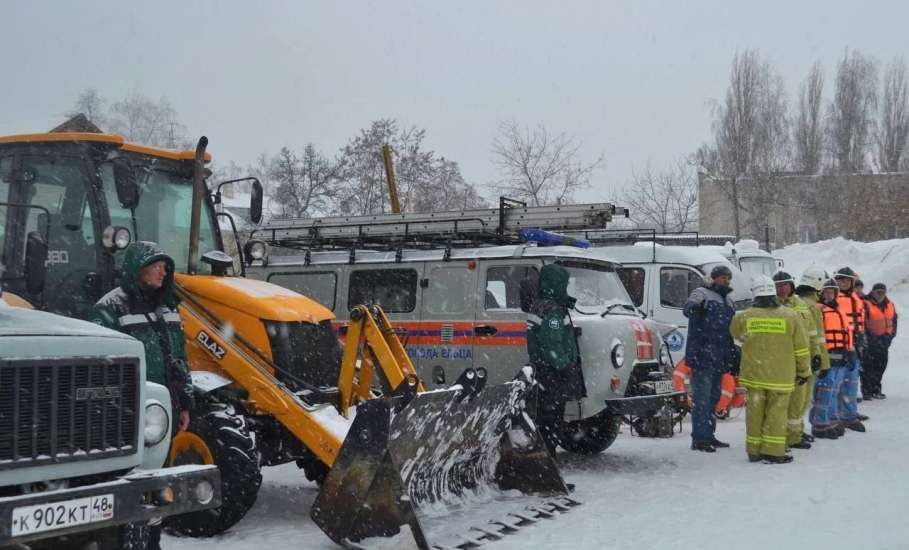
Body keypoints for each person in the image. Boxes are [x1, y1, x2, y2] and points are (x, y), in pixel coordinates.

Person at [90, 241, 195, 550]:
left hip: (160, 413)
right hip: (127, 410)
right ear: (138, 269)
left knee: (157, 481)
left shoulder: (168, 307)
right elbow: (100, 365)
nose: (164, 271)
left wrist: (185, 402)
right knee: (129, 480)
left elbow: (180, 358)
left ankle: (151, 539)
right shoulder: (110, 308)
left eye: (165, 266)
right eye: (157, 265)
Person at [731, 275, 810, 464]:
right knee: (777, 412)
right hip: (780, 375)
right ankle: (774, 451)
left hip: (754, 374)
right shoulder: (791, 316)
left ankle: (754, 450)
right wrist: (804, 371)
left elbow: (737, 337)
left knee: (755, 412)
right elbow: (801, 347)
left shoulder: (744, 316)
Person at [526, 263, 585, 449]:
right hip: (552, 373)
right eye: (564, 285)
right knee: (552, 418)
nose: (565, 289)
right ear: (556, 284)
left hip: (542, 371)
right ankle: (548, 458)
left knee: (544, 416)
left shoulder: (540, 305)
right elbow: (551, 343)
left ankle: (545, 455)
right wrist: (565, 364)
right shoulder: (553, 311)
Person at [683, 264, 737, 452]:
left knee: (713, 398)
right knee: (702, 398)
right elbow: (689, 307)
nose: (726, 281)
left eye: (728, 278)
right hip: (702, 355)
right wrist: (695, 309)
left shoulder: (728, 300)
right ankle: (699, 438)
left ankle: (709, 434)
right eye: (722, 277)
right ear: (713, 278)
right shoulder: (701, 292)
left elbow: (730, 330)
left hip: (719, 357)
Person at [773, 271, 817, 450]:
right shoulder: (771, 306)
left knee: (802, 399)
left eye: (785, 284)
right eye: (778, 285)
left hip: (802, 358)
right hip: (782, 360)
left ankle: (795, 431)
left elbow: (812, 333)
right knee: (784, 401)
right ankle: (784, 435)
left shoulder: (800, 305)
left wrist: (816, 355)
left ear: (791, 286)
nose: (782, 288)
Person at [812, 279, 852, 439]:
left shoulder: (839, 310)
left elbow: (846, 331)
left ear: (836, 293)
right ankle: (820, 423)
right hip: (826, 355)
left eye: (831, 291)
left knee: (834, 390)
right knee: (824, 391)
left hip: (840, 354)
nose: (828, 294)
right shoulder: (818, 310)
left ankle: (832, 419)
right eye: (825, 291)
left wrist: (850, 350)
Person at [794, 268, 830, 443]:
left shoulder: (796, 302)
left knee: (795, 400)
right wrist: (824, 363)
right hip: (808, 359)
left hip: (795, 358)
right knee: (803, 400)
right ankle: (796, 432)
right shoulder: (812, 307)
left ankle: (796, 431)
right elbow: (818, 339)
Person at [833, 267, 868, 430]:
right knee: (834, 384)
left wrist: (861, 340)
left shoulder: (857, 298)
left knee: (852, 382)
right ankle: (833, 417)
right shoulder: (832, 298)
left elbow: (859, 321)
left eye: (846, 280)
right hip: (838, 346)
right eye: (840, 280)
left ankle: (849, 415)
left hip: (854, 346)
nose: (843, 283)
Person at [862, 283, 897, 399]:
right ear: (872, 292)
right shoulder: (865, 304)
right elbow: (862, 323)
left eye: (883, 292)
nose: (880, 294)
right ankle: (867, 391)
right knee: (868, 368)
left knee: (881, 366)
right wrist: (869, 339)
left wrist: (889, 337)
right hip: (870, 343)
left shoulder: (890, 305)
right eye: (878, 292)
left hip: (884, 342)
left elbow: (894, 323)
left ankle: (876, 389)